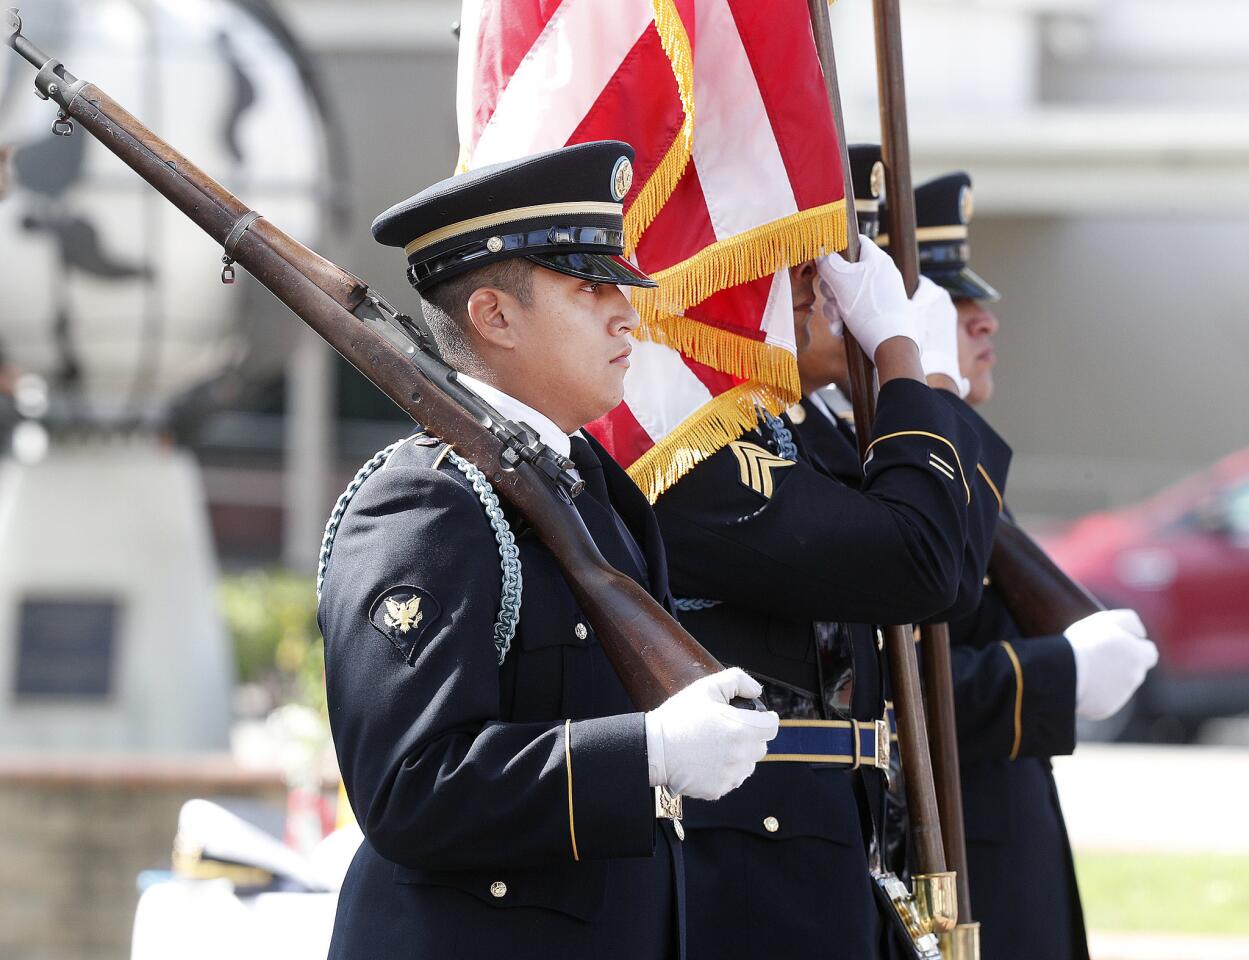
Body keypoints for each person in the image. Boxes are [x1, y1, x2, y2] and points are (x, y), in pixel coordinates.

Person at [317, 140, 779, 960]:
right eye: (587, 289)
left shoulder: (584, 485)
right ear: (493, 316)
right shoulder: (426, 502)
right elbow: (408, 788)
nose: (625, 314)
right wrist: (649, 752)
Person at [650, 144, 1007, 958]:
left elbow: (945, 578)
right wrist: (906, 363)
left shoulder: (787, 430)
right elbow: (919, 567)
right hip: (751, 871)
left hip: (831, 850)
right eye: (796, 260)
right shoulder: (695, 447)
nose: (821, 286)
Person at [905, 171, 1157, 960]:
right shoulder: (878, 470)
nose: (983, 322)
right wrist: (1053, 674)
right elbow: (885, 690)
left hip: (1002, 845)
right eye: (947, 304)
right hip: (940, 859)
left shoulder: (943, 459)